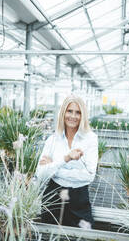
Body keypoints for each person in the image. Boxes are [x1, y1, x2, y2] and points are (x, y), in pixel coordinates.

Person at [35, 95, 98, 228]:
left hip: (79, 198)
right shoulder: (52, 140)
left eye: (78, 112)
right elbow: (40, 174)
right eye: (69, 111)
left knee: (83, 236)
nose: (73, 116)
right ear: (63, 112)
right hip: (53, 196)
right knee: (50, 236)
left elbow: (89, 175)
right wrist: (65, 159)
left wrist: (54, 168)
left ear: (83, 116)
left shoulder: (90, 139)